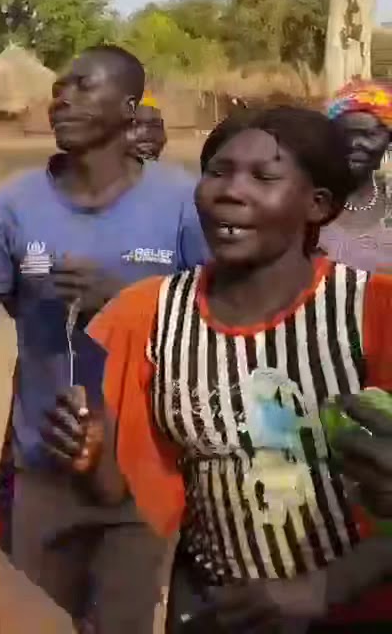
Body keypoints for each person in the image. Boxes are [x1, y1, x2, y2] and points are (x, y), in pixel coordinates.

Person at [62, 107, 392, 632]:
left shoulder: (372, 312)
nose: (230, 192)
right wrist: (93, 446)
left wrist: (324, 588)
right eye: (217, 171)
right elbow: (121, 492)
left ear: (318, 204)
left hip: (363, 609)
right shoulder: (145, 317)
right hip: (219, 609)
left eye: (264, 177)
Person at [0, 44, 207, 632]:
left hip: (142, 473)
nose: (61, 97)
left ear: (127, 107)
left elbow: (214, 330)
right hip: (44, 469)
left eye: (82, 86)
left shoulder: (181, 203)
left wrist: (127, 303)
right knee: (36, 623)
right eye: (58, 87)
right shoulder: (12, 206)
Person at [318, 80, 392, 272]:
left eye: (369, 135)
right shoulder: (308, 204)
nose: (355, 143)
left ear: (388, 140)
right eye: (345, 134)